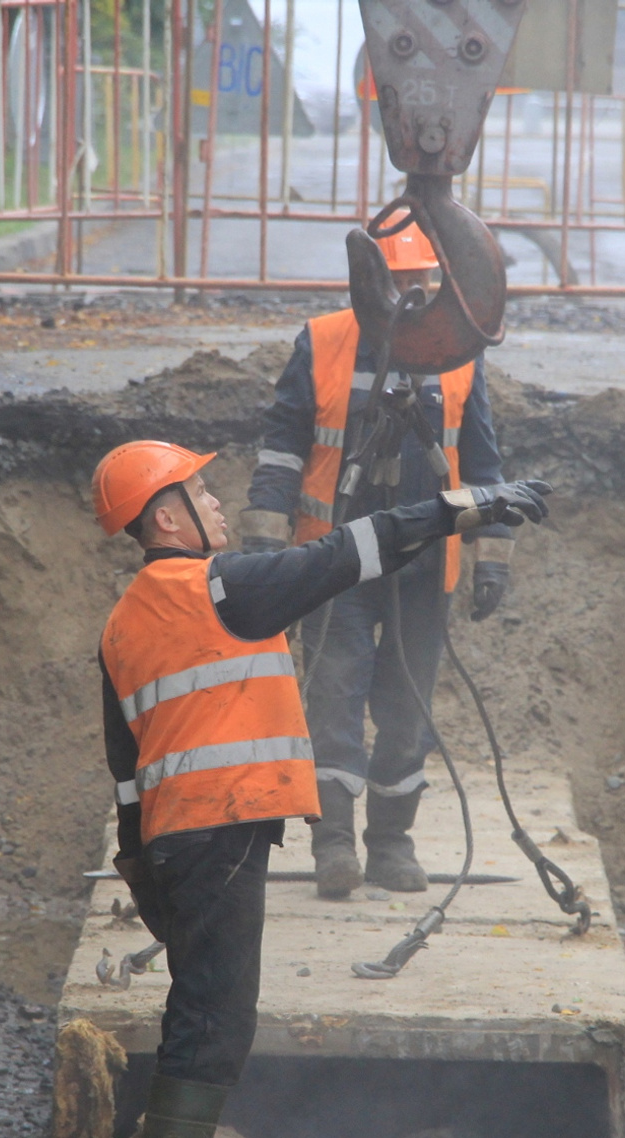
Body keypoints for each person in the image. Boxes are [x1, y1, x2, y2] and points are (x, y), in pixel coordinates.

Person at [93, 439, 549, 1138]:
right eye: (203, 492)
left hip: (177, 840)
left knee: (207, 1006)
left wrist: (144, 874)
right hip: (222, 827)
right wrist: (463, 508)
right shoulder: (222, 589)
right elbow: (350, 550)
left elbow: (125, 777)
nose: (221, 504)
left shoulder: (124, 623)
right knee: (216, 1017)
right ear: (167, 517)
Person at [237, 218, 515, 900]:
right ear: (369, 284)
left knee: (407, 710)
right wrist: (267, 544)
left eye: (422, 281)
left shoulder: (458, 354)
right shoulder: (325, 341)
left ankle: (391, 842)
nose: (412, 295)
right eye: (398, 282)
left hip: (425, 566)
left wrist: (493, 556)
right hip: (334, 564)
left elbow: (480, 459)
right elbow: (283, 445)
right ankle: (333, 844)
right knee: (333, 702)